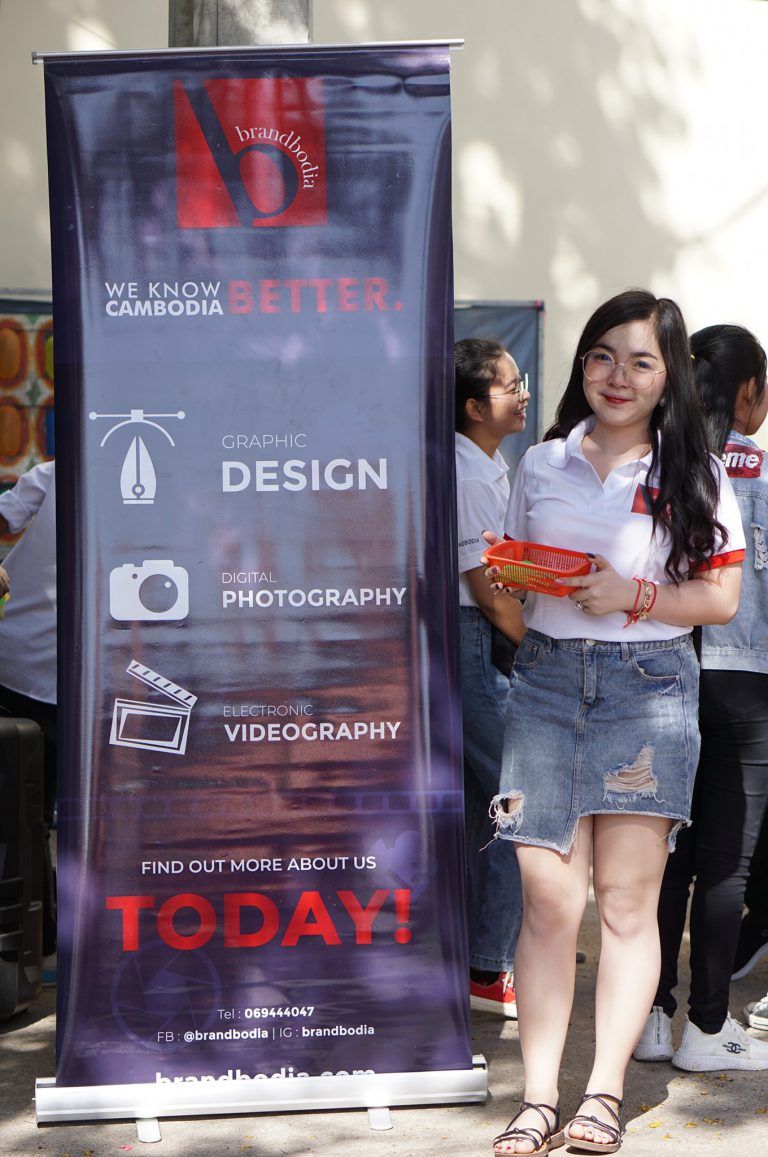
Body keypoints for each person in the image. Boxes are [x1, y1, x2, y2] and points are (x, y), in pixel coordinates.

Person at [485, 290, 744, 1156]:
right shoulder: (541, 462)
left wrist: (632, 594)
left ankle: (602, 1092)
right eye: (602, 356)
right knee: (548, 902)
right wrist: (523, 578)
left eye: (640, 361)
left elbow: (720, 597)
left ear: (669, 376)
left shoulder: (694, 470)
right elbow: (515, 575)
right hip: (546, 686)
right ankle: (537, 1098)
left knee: (630, 905)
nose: (617, 376)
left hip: (649, 688)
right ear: (582, 365)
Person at [633, 324, 768, 1070]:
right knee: (726, 864)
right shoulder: (762, 473)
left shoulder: (660, 466)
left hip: (666, 670)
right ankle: (707, 1031)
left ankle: (651, 1016)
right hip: (750, 686)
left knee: (665, 856)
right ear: (748, 391)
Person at [455, 338, 528, 1016]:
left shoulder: (486, 464)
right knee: (519, 804)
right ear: (475, 406)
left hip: (479, 643)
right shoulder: (469, 475)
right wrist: (544, 649)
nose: (524, 393)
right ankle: (489, 968)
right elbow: (490, 594)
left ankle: (492, 949)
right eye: (510, 385)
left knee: (488, 804)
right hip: (475, 641)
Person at [0, 460, 57, 965]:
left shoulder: (55, 471)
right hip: (33, 666)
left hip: (28, 662)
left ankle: (36, 942)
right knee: (30, 810)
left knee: (28, 811)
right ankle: (36, 939)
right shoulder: (54, 474)